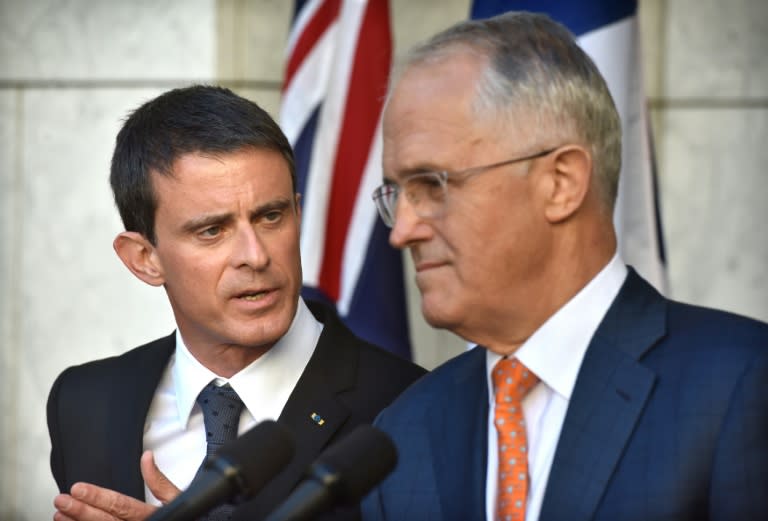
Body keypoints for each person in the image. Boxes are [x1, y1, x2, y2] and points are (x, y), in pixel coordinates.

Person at [362, 11, 768, 521]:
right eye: (397, 194)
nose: (402, 231)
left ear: (561, 183)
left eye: (432, 186)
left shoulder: (741, 385)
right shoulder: (405, 431)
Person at [47, 85, 426, 521]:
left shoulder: (409, 405)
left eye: (271, 216)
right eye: (212, 230)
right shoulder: (83, 402)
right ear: (145, 259)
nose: (256, 255)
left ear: (298, 216)